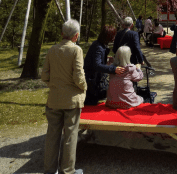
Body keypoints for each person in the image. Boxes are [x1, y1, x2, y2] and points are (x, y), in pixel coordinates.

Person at [41, 19, 86, 174]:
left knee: (52, 135)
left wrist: (53, 85)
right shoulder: (76, 50)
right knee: (70, 136)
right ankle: (67, 170)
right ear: (76, 36)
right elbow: (79, 77)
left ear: (62, 34)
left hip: (54, 99)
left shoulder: (52, 49)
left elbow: (44, 75)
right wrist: (85, 88)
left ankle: (49, 169)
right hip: (72, 100)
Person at [84, 26, 125, 106]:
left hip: (93, 79)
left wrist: (105, 59)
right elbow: (97, 65)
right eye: (113, 35)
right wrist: (114, 69)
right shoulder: (98, 47)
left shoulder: (98, 44)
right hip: (92, 81)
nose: (114, 37)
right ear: (108, 36)